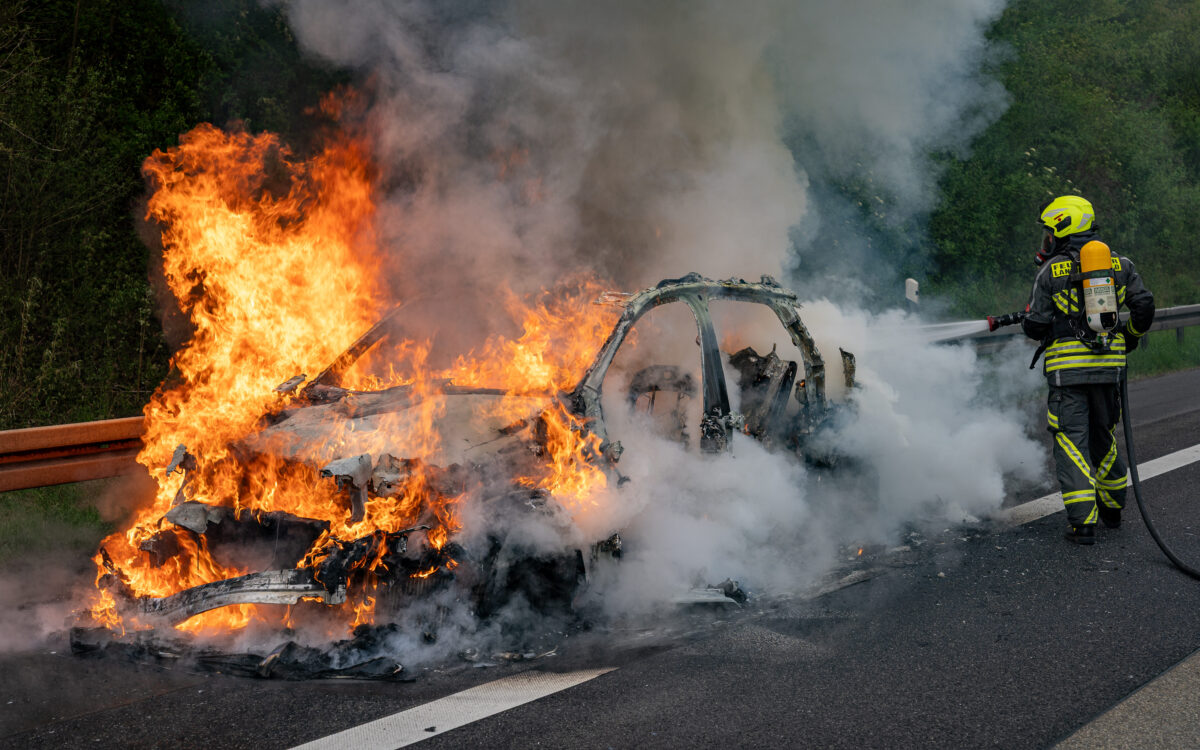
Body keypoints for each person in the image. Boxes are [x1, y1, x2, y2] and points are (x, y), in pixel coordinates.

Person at [1022, 195, 1155, 545]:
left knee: (1071, 442)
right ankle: (1112, 508)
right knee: (1103, 438)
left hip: (1069, 374)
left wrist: (1037, 321)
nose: (1046, 239)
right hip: (1109, 370)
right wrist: (1129, 337)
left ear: (1063, 227)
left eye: (1049, 231)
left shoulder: (1050, 271)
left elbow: (1036, 325)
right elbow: (1144, 305)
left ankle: (1083, 523)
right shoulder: (1119, 265)